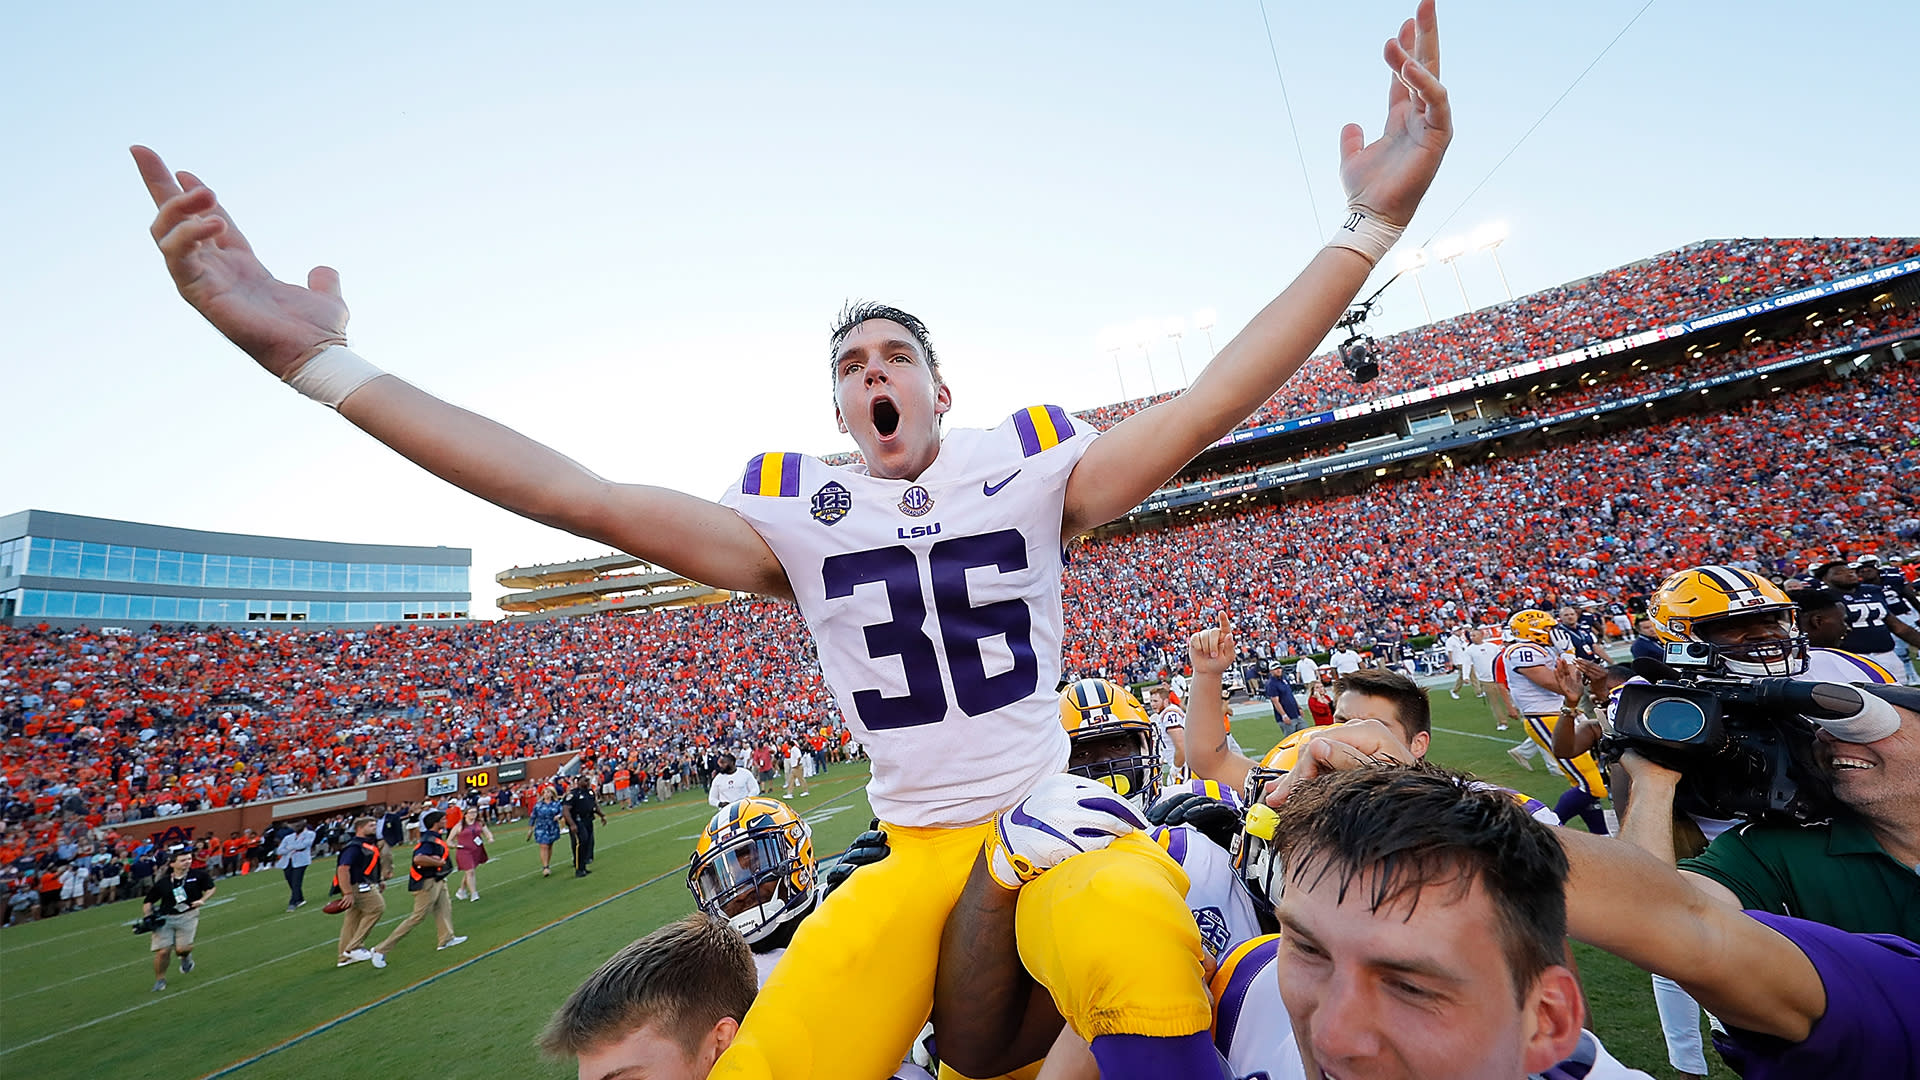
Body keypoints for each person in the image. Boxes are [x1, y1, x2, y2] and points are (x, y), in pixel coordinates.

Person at [131, 5, 1449, 1070]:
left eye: (895, 354)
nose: (873, 371)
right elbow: (572, 495)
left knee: (1141, 953)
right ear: (837, 409)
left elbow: (1217, 394)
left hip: (1055, 815)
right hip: (909, 847)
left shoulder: (1032, 464)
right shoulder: (800, 515)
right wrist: (326, 370)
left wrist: (1366, 226)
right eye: (851, 364)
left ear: (941, 386)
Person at [1558, 794, 1920, 1079]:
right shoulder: (1772, 844)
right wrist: (1656, 778)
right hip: (1717, 899)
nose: (1828, 737)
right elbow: (1651, 914)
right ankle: (1690, 1065)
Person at [1503, 609, 1610, 834]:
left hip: (1562, 713)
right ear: (1533, 631)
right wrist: (1569, 654)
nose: (1554, 632)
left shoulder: (1540, 649)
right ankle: (1547, 830)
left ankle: (1601, 834)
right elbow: (1565, 685)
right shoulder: (1521, 650)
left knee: (1586, 780)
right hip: (1546, 717)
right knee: (1592, 785)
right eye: (1548, 628)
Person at [368, 809, 465, 968]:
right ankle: (380, 950)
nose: (445, 821)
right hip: (426, 882)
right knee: (417, 917)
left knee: (444, 908)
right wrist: (438, 863)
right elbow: (419, 858)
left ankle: (446, 939)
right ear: (435, 823)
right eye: (442, 819)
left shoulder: (435, 837)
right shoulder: (428, 840)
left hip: (437, 879)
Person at [143, 845, 216, 992]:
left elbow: (211, 887)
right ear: (172, 864)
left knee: (182, 949)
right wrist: (147, 916)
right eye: (182, 860)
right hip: (165, 918)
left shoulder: (198, 875)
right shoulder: (163, 882)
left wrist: (203, 899)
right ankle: (160, 979)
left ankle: (185, 957)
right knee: (163, 951)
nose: (187, 862)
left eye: (189, 859)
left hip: (187, 915)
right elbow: (148, 901)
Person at [334, 817, 385, 967]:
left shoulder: (367, 844)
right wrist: (348, 892)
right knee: (377, 908)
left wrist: (379, 879)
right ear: (360, 828)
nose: (374, 827)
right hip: (358, 886)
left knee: (352, 919)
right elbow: (343, 869)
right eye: (371, 825)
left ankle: (344, 957)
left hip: (364, 883)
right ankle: (353, 947)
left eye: (375, 824)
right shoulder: (354, 847)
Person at [563, 776, 607, 879]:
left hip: (588, 819)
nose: (587, 782)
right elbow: (566, 810)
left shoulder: (590, 792)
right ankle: (579, 869)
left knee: (588, 842)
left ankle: (583, 866)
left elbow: (594, 805)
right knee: (581, 842)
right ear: (578, 782)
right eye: (585, 780)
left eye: (588, 780)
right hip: (578, 821)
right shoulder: (573, 794)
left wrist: (602, 815)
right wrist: (572, 824)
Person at [273, 818, 315, 912]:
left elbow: (304, 845)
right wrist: (292, 848)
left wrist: (290, 847)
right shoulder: (288, 837)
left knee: (296, 882)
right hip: (287, 862)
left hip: (301, 861)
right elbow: (279, 850)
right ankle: (300, 899)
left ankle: (292, 903)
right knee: (290, 881)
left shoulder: (310, 834)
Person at [452, 812, 494, 902]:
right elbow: (449, 841)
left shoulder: (479, 823)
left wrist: (490, 838)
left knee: (469, 871)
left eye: (475, 812)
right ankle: (474, 894)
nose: (473, 814)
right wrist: (456, 846)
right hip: (464, 851)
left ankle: (461, 890)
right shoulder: (460, 825)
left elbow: (487, 832)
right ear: (465, 814)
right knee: (470, 871)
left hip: (476, 850)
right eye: (471, 812)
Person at [527, 785, 565, 877]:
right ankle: (545, 867)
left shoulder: (556, 803)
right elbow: (533, 816)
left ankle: (547, 863)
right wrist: (530, 829)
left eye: (548, 792)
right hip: (541, 827)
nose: (546, 794)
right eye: (545, 792)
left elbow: (562, 812)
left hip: (552, 826)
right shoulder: (538, 805)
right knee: (543, 846)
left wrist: (559, 816)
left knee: (549, 845)